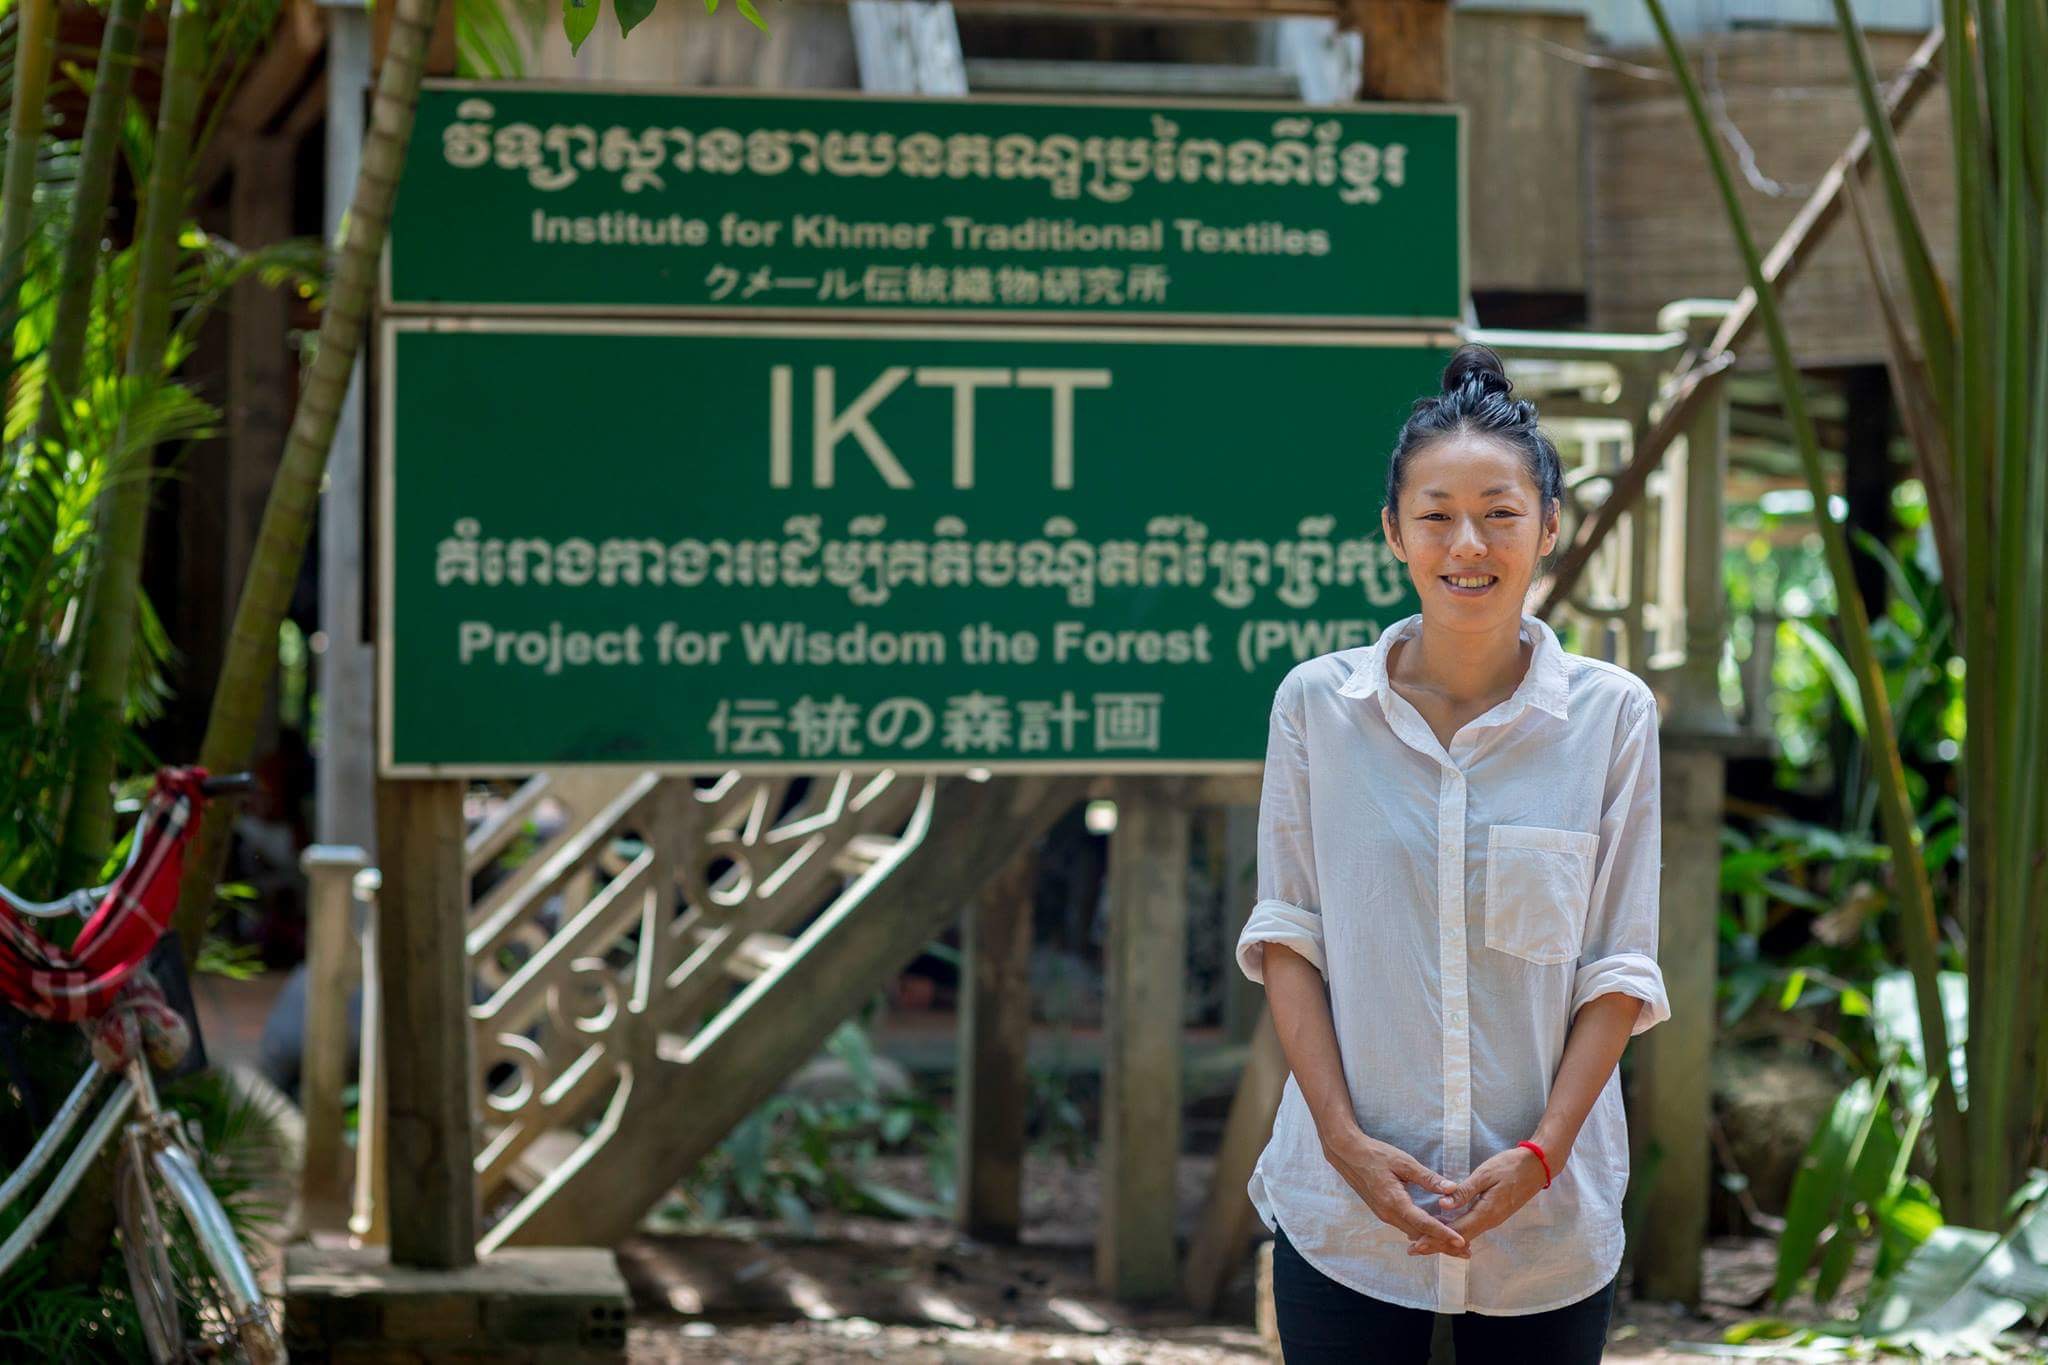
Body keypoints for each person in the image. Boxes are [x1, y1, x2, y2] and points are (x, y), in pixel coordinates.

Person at [1237, 344, 1671, 1364]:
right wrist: (1344, 1146)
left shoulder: (1610, 718)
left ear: (1548, 529)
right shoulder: (1316, 708)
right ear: (1392, 532)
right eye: (1434, 514)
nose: (1465, 543)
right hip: (1342, 1212)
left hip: (1544, 1217)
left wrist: (1539, 1154)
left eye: (1500, 512)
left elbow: (1615, 961)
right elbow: (1288, 932)